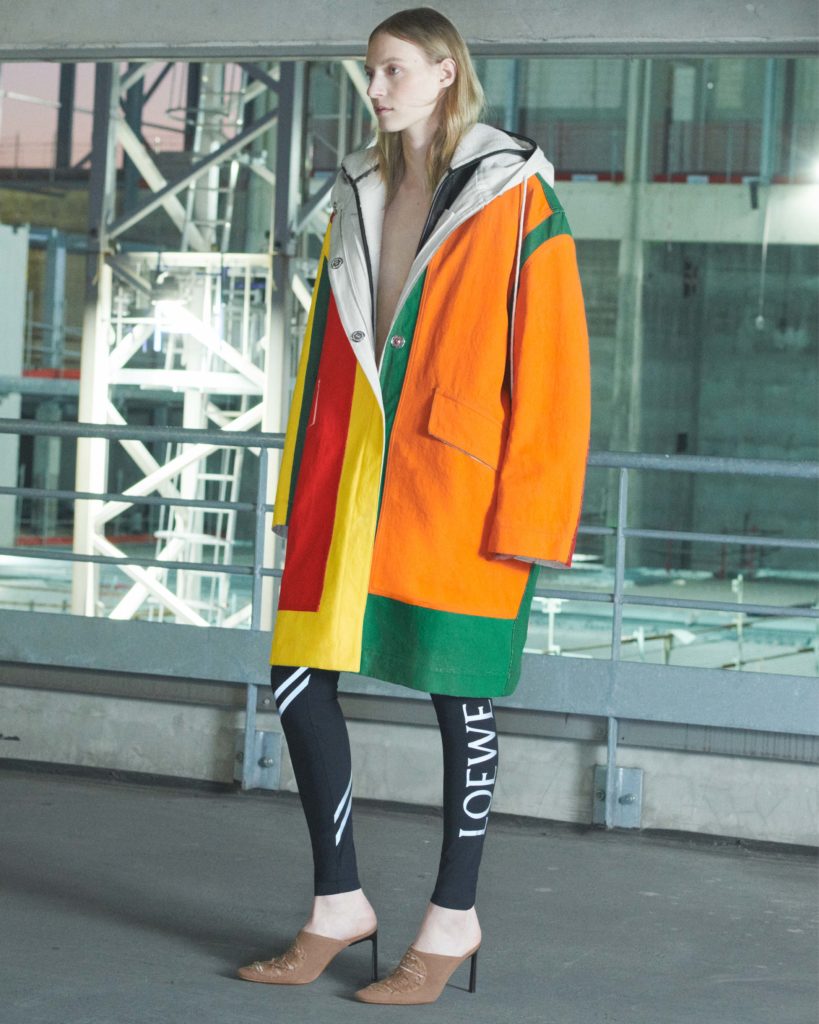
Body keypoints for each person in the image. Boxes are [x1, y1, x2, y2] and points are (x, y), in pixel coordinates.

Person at [237, 6, 590, 1006]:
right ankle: (337, 904)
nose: (375, 89)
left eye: (393, 70)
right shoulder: (356, 190)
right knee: (298, 678)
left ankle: (452, 918)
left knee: (458, 696)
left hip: (457, 490)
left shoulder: (515, 194)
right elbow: (324, 352)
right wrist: (299, 492)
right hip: (349, 483)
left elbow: (556, 369)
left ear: (444, 73)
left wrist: (530, 521)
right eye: (369, 71)